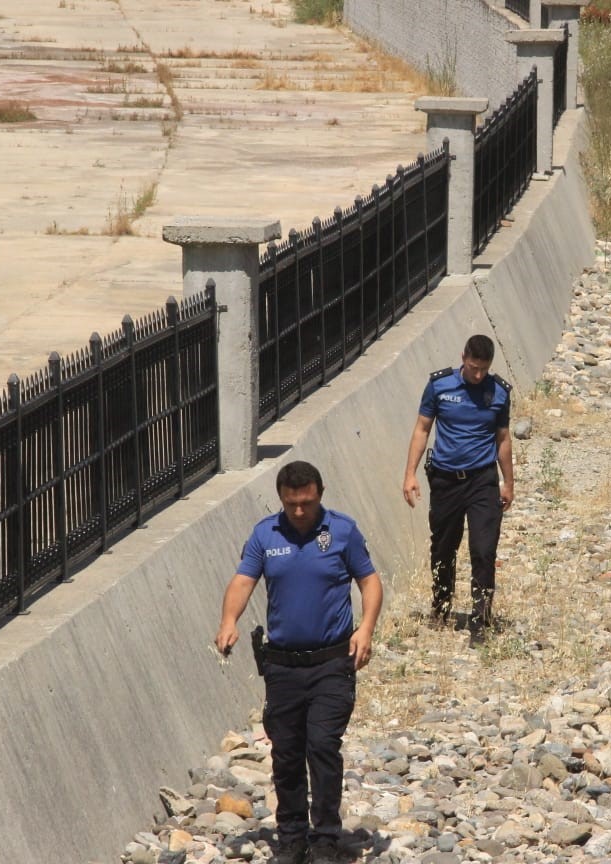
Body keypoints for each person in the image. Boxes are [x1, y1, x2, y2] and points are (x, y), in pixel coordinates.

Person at [215, 460, 382, 864]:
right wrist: (228, 620)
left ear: (319, 494)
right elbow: (243, 580)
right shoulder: (265, 534)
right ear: (282, 500)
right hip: (283, 666)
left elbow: (369, 580)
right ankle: (291, 836)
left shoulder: (342, 531)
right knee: (287, 752)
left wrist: (366, 628)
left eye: (306, 503)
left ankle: (325, 837)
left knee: (323, 746)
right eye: (292, 504)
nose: (300, 512)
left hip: (332, 662)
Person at [402, 334, 513, 643]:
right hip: (446, 480)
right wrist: (409, 474)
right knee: (443, 547)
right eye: (473, 367)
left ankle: (481, 619)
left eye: (483, 369)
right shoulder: (440, 386)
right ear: (463, 357)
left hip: (482, 481)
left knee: (484, 549)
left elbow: (503, 439)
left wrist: (509, 483)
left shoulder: (499, 393)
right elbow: (422, 429)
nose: (478, 375)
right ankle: (442, 605)